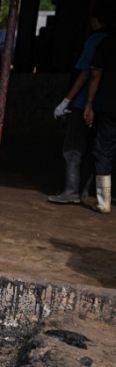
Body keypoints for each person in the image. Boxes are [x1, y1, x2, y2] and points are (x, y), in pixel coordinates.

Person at [48, 9, 111, 205]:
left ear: (94, 20)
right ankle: (88, 193)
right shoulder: (110, 41)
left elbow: (87, 73)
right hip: (104, 105)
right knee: (99, 150)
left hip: (84, 102)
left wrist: (67, 100)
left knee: (73, 147)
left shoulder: (96, 41)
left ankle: (71, 190)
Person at [84, 28, 116, 214]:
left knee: (104, 150)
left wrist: (88, 103)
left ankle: (104, 202)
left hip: (108, 107)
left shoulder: (106, 44)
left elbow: (95, 75)